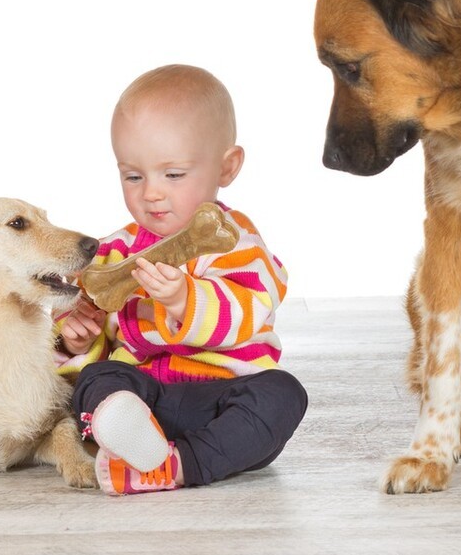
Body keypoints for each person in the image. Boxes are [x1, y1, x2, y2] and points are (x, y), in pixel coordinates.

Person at [55, 64, 307, 494]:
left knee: (283, 394)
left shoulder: (239, 243)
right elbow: (96, 328)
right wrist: (77, 340)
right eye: (133, 176)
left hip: (221, 398)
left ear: (226, 168)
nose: (151, 192)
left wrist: (185, 300)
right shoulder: (113, 252)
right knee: (97, 382)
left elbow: (250, 311)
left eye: (173, 175)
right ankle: (129, 434)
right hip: (144, 395)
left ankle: (178, 464)